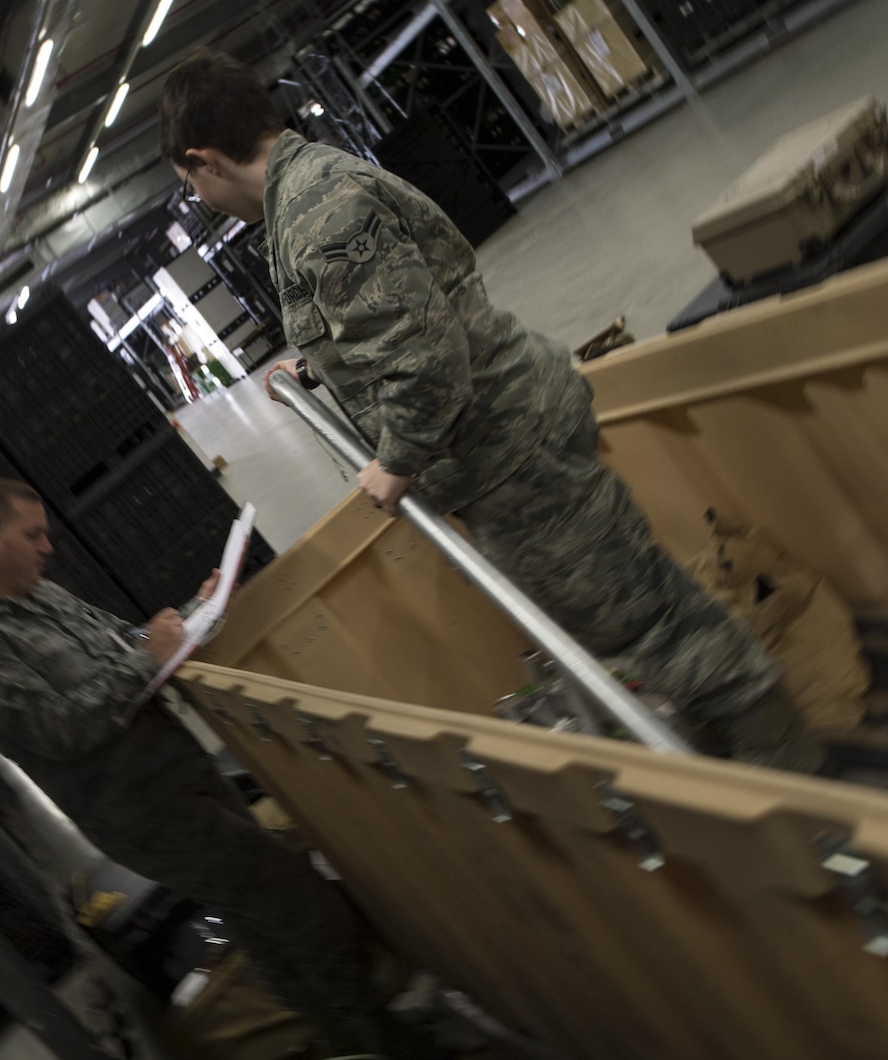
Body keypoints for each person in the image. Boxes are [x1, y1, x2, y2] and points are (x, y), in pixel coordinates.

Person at [158, 50, 819, 770]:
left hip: (509, 450)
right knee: (624, 612)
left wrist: (396, 462)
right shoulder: (305, 196)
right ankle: (741, 756)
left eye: (190, 185)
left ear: (204, 160)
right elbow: (392, 315)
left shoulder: (317, 216)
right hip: (498, 451)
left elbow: (425, 361)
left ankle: (788, 777)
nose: (201, 198)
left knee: (643, 618)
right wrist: (316, 362)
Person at [0, 477, 457, 1060]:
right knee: (292, 891)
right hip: (143, 813)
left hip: (180, 773)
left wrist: (193, 615)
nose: (46, 547)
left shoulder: (38, 595)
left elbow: (121, 643)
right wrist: (143, 659)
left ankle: (350, 1047)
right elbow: (59, 728)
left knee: (259, 919)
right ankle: (383, 1042)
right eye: (32, 536)